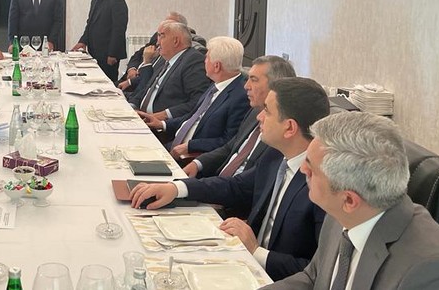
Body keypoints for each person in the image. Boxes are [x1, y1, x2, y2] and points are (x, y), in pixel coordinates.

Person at [131, 77, 329, 281]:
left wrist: (256, 251)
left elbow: (317, 273)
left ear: (289, 128)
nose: (259, 117)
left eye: (267, 111)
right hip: (243, 258)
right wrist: (177, 189)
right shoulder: (275, 155)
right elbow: (236, 187)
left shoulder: (322, 187)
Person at [263, 111, 439, 289]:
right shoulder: (341, 214)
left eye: (311, 169)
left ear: (349, 200)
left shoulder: (433, 271)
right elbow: (314, 278)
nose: (302, 169)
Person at [184, 55, 296, 179]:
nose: (246, 86)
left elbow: (249, 183)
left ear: (275, 86)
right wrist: (198, 163)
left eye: (254, 80)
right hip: (218, 180)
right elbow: (230, 148)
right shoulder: (254, 112)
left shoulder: (279, 131)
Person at [141, 36, 250, 155]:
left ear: (217, 66)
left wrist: (191, 146)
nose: (204, 61)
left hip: (190, 156)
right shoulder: (216, 84)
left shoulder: (241, 97)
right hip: (173, 145)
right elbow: (192, 117)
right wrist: (162, 124)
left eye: (207, 57)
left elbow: (228, 142)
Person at [129, 21, 213, 137]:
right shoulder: (166, 59)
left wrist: (164, 115)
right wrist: (131, 106)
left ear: (176, 41)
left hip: (160, 128)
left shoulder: (193, 61)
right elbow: (147, 89)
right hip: (141, 117)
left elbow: (198, 101)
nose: (157, 42)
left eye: (161, 36)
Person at [71, 0, 129, 82]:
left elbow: (119, 29)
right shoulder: (95, 1)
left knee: (106, 84)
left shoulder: (117, 0)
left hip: (108, 55)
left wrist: (113, 54)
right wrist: (82, 41)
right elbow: (89, 24)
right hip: (94, 53)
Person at [118, 11, 189, 93]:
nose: (158, 42)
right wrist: (131, 69)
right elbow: (138, 54)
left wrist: (146, 61)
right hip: (130, 79)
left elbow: (152, 80)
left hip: (138, 87)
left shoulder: (171, 55)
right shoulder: (157, 39)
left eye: (169, 26)